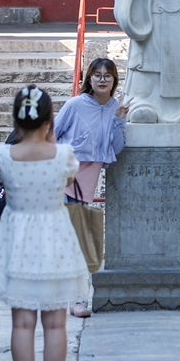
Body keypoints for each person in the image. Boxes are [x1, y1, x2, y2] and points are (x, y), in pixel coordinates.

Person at [0, 85, 91, 361]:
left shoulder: (4, 156)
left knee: (22, 323)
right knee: (56, 323)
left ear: (16, 120)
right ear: (50, 119)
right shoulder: (64, 155)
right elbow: (68, 179)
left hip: (18, 243)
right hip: (55, 240)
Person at [52, 58, 130, 317]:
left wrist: (119, 121)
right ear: (89, 78)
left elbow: (116, 148)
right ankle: (76, 300)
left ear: (114, 80)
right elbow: (52, 133)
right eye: (97, 75)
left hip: (88, 179)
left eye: (108, 75)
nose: (102, 79)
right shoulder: (75, 104)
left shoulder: (115, 108)